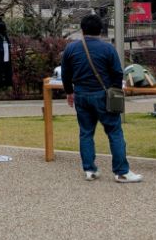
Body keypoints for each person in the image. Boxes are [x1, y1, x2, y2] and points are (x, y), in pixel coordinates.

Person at [61, 13, 143, 183]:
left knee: (85, 133)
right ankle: (121, 171)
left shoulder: (71, 48)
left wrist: (69, 92)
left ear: (82, 30)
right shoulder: (107, 49)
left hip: (81, 95)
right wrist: (114, 92)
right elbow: (117, 72)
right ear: (101, 30)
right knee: (114, 132)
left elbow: (66, 74)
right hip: (103, 95)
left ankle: (89, 170)